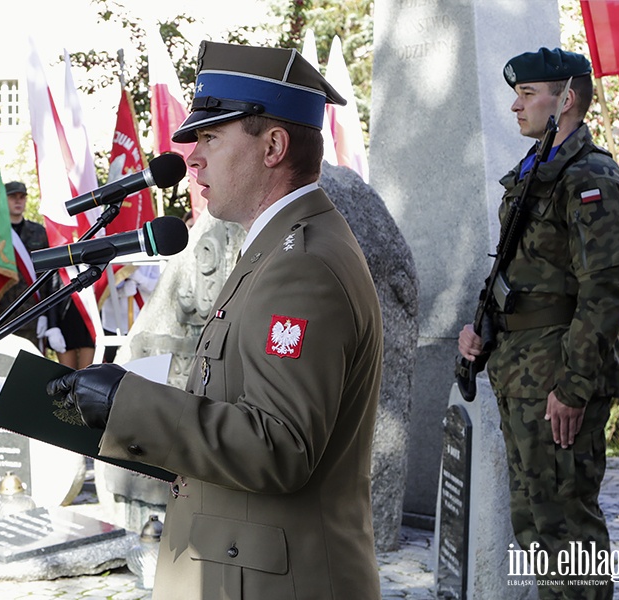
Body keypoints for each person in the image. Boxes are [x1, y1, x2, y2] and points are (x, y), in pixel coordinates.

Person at [47, 41, 383, 599]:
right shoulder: (273, 248)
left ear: (273, 145)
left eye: (209, 138)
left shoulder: (303, 266)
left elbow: (281, 446)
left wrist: (125, 402)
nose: (192, 159)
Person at [458, 48, 619, 599]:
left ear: (566, 99)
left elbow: (603, 294)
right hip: (522, 375)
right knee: (537, 529)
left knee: (568, 532)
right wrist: (483, 332)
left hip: (558, 381)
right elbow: (527, 275)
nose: (515, 105)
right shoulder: (537, 173)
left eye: (528, 93)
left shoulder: (592, 180)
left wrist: (574, 387)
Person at [0, 181, 52, 348]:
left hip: (31, 312)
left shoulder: (39, 232)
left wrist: (45, 313)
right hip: (2, 314)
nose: (18, 201)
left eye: (22, 197)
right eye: (13, 197)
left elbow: (48, 276)